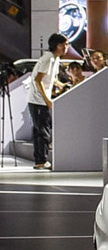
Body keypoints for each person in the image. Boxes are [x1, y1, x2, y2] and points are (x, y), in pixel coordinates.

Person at [28, 33, 69, 170]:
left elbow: (49, 78)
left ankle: (40, 160)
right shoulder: (49, 59)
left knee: (40, 130)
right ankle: (41, 160)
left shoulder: (54, 59)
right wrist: (47, 100)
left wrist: (60, 85)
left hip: (39, 100)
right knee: (42, 131)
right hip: (38, 100)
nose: (67, 47)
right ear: (59, 45)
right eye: (66, 44)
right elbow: (38, 80)